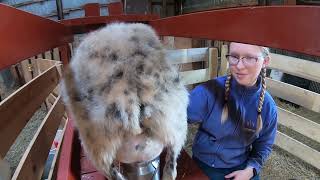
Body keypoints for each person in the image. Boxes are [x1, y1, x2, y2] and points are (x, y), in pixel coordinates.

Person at [187, 42, 278, 180]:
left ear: (265, 61)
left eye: (249, 58)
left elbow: (264, 145)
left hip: (241, 168)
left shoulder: (268, 107)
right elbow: (177, 117)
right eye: (234, 56)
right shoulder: (209, 91)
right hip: (203, 164)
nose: (239, 66)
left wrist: (251, 170)